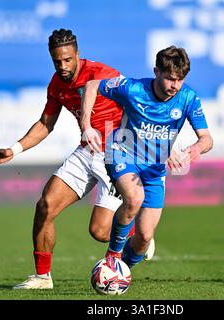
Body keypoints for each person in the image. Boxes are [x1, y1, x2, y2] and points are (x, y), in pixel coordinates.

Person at [0, 29, 152, 290]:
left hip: (119, 154)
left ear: (77, 55)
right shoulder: (57, 83)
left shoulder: (102, 74)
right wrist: (13, 150)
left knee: (100, 232)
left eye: (67, 60)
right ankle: (42, 277)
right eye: (57, 61)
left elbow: (137, 102)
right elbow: (45, 124)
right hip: (86, 152)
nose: (62, 66)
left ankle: (139, 238)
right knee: (45, 206)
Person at [81, 46, 213, 272]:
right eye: (170, 78)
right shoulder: (132, 88)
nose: (175, 86)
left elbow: (207, 139)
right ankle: (112, 258)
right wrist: (87, 126)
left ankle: (121, 273)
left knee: (144, 237)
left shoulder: (188, 97)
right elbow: (92, 86)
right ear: (156, 72)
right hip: (122, 152)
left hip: (154, 168)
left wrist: (196, 149)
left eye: (180, 80)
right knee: (134, 198)